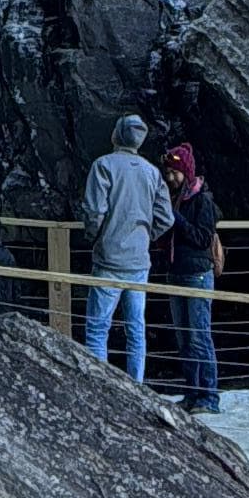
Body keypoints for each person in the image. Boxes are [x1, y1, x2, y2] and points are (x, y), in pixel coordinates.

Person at [81, 115, 174, 383]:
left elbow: (94, 211)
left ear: (117, 135)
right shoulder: (152, 172)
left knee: (98, 329)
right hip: (139, 264)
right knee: (136, 330)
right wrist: (146, 236)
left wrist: (95, 236)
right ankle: (138, 387)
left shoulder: (104, 166)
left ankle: (99, 385)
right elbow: (166, 217)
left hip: (108, 260)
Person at [158, 141, 224, 414]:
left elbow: (201, 237)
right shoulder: (174, 198)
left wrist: (176, 219)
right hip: (177, 273)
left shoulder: (201, 200)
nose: (171, 178)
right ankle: (192, 393)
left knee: (199, 337)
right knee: (184, 338)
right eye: (169, 173)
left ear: (187, 172)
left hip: (197, 274)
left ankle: (209, 396)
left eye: (175, 173)